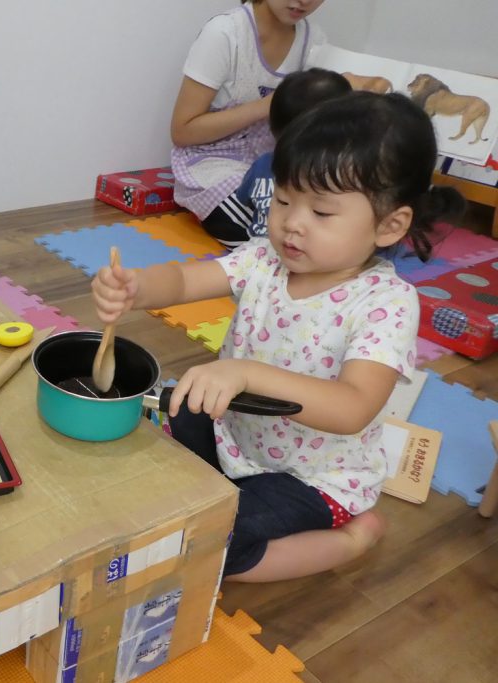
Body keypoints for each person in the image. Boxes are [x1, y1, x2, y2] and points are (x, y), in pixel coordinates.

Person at [94, 92, 463, 582]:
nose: (292, 223)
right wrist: (136, 288)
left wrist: (246, 372)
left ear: (389, 225)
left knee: (214, 546)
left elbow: (353, 408)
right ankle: (222, 476)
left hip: (312, 476)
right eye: (285, 200)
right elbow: (184, 281)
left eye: (322, 213)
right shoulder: (264, 259)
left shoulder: (385, 304)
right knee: (167, 411)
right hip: (238, 434)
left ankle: (352, 538)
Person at [170, 0, 328, 248]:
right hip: (215, 165)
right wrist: (269, 104)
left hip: (275, 166)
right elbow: (183, 130)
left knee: (334, 216)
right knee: (271, 226)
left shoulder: (313, 40)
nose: (304, 1)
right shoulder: (226, 33)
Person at [236, 67, 351, 238]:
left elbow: (243, 198)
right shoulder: (341, 179)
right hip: (304, 257)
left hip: (254, 253)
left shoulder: (263, 164)